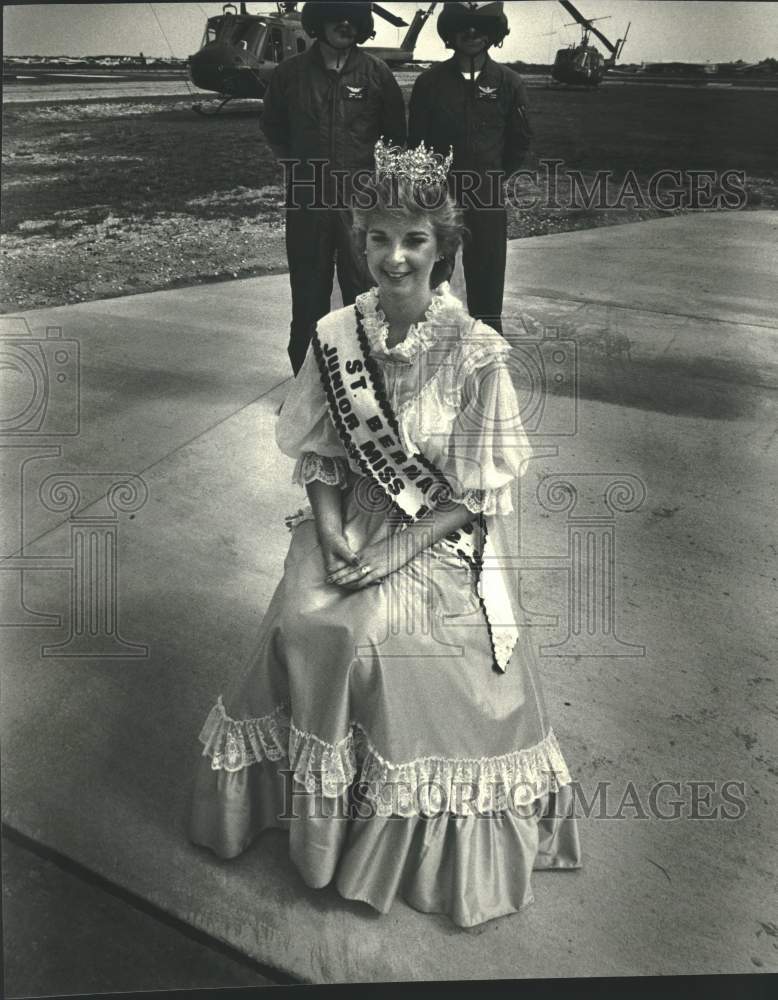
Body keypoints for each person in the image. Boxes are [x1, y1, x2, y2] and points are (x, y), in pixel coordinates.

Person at [188, 140, 580, 928]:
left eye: (414, 241)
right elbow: (324, 458)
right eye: (377, 238)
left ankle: (377, 833)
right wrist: (333, 536)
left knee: (373, 636)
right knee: (307, 620)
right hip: (351, 520)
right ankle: (314, 819)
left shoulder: (475, 354)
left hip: (434, 533)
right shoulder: (337, 336)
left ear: (444, 250)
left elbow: (473, 496)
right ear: (358, 241)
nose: (393, 258)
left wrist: (393, 551)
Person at [261, 1, 407, 374]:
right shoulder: (290, 74)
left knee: (364, 296)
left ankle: (362, 388)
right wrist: (302, 172)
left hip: (361, 207)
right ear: (317, 22)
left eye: (353, 18)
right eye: (335, 17)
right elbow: (274, 130)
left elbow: (394, 139)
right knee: (308, 295)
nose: (345, 24)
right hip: (308, 203)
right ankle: (307, 387)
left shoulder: (377, 74)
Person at [408, 1, 532, 334]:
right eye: (463, 26)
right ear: (450, 33)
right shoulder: (429, 83)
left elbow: (519, 142)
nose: (472, 33)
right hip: (436, 200)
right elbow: (415, 143)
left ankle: (488, 356)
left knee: (488, 285)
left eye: (480, 27)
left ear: (494, 33)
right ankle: (425, 357)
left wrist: (490, 177)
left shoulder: (509, 82)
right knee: (430, 282)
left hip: (487, 198)